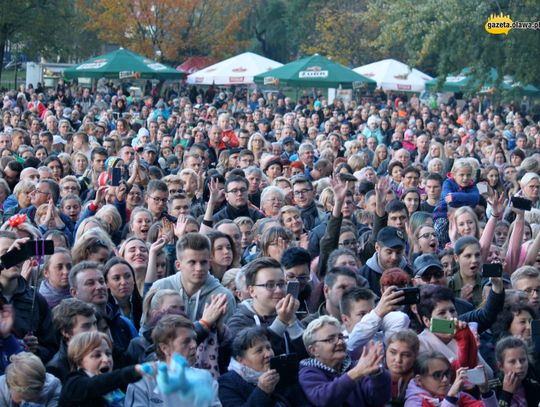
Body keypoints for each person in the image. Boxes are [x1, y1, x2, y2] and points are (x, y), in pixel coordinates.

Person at [125, 314, 222, 407]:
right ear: (164, 348)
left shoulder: (205, 379)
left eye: (194, 339)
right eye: (186, 341)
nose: (194, 345)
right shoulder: (142, 381)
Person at [299, 315, 391, 407]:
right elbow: (324, 399)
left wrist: (377, 373)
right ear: (314, 350)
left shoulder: (355, 366)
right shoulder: (308, 373)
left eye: (341, 337)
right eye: (331, 339)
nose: (340, 342)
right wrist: (356, 373)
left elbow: (379, 399)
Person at [219, 326, 309, 407]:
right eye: (259, 350)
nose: (268, 354)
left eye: (269, 348)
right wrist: (262, 391)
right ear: (241, 359)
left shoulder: (281, 371)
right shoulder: (227, 383)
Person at [58, 331, 149, 407]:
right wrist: (134, 371)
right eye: (97, 355)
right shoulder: (73, 384)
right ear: (79, 361)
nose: (106, 359)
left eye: (108, 353)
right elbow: (95, 384)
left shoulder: (118, 386)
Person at [404, 352, 497, 407]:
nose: (445, 379)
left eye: (447, 373)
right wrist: (450, 398)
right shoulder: (414, 402)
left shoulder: (459, 395)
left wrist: (485, 392)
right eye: (437, 375)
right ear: (419, 380)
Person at [48, 298, 98, 382]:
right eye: (86, 326)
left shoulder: (105, 354)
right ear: (66, 332)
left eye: (94, 323)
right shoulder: (56, 368)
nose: (95, 331)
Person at [493, 336, 540, 407]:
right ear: (501, 366)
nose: (519, 366)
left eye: (522, 360)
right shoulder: (492, 389)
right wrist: (506, 393)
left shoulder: (533, 385)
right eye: (512, 362)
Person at [385, 330, 419, 407]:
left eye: (405, 355)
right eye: (393, 352)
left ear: (415, 356)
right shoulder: (372, 377)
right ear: (386, 351)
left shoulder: (420, 381)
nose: (398, 360)